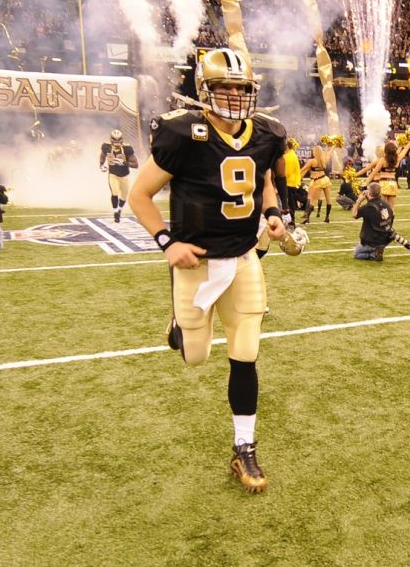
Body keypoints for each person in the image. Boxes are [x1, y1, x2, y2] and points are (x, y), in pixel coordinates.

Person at [128, 47, 287, 494]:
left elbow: (264, 180)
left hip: (242, 258)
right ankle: (179, 325)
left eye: (242, 88)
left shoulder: (267, 133)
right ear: (205, 90)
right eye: (225, 88)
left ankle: (245, 447)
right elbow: (140, 194)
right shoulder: (183, 132)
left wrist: (273, 212)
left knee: (246, 353)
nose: (235, 97)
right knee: (196, 356)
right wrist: (167, 241)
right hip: (195, 260)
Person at [99, 129, 138, 223]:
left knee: (124, 197)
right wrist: (101, 165)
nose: (117, 142)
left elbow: (136, 165)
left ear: (122, 139)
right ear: (111, 139)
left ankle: (119, 209)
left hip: (125, 175)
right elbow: (102, 156)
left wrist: (125, 163)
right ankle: (116, 212)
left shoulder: (127, 149)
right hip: (113, 174)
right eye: (114, 139)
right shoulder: (106, 146)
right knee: (115, 192)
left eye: (118, 139)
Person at [352, 182, 396, 261]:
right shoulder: (386, 204)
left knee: (357, 253)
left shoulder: (368, 207)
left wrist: (359, 201)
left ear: (369, 192)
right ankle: (377, 250)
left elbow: (354, 214)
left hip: (372, 241)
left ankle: (373, 254)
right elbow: (392, 217)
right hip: (385, 239)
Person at [299, 144, 333, 224]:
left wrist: (296, 175)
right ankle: (327, 218)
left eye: (314, 151)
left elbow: (304, 169)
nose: (313, 152)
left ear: (316, 152)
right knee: (328, 200)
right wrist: (332, 147)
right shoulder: (324, 159)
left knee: (312, 200)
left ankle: (307, 219)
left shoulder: (312, 161)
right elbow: (329, 153)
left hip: (317, 181)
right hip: (325, 179)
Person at [281, 138, 302, 222]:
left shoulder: (288, 156)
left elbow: (287, 172)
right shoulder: (293, 154)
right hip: (293, 182)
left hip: (289, 182)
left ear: (287, 147)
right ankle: (292, 219)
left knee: (289, 203)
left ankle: (291, 220)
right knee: (291, 202)